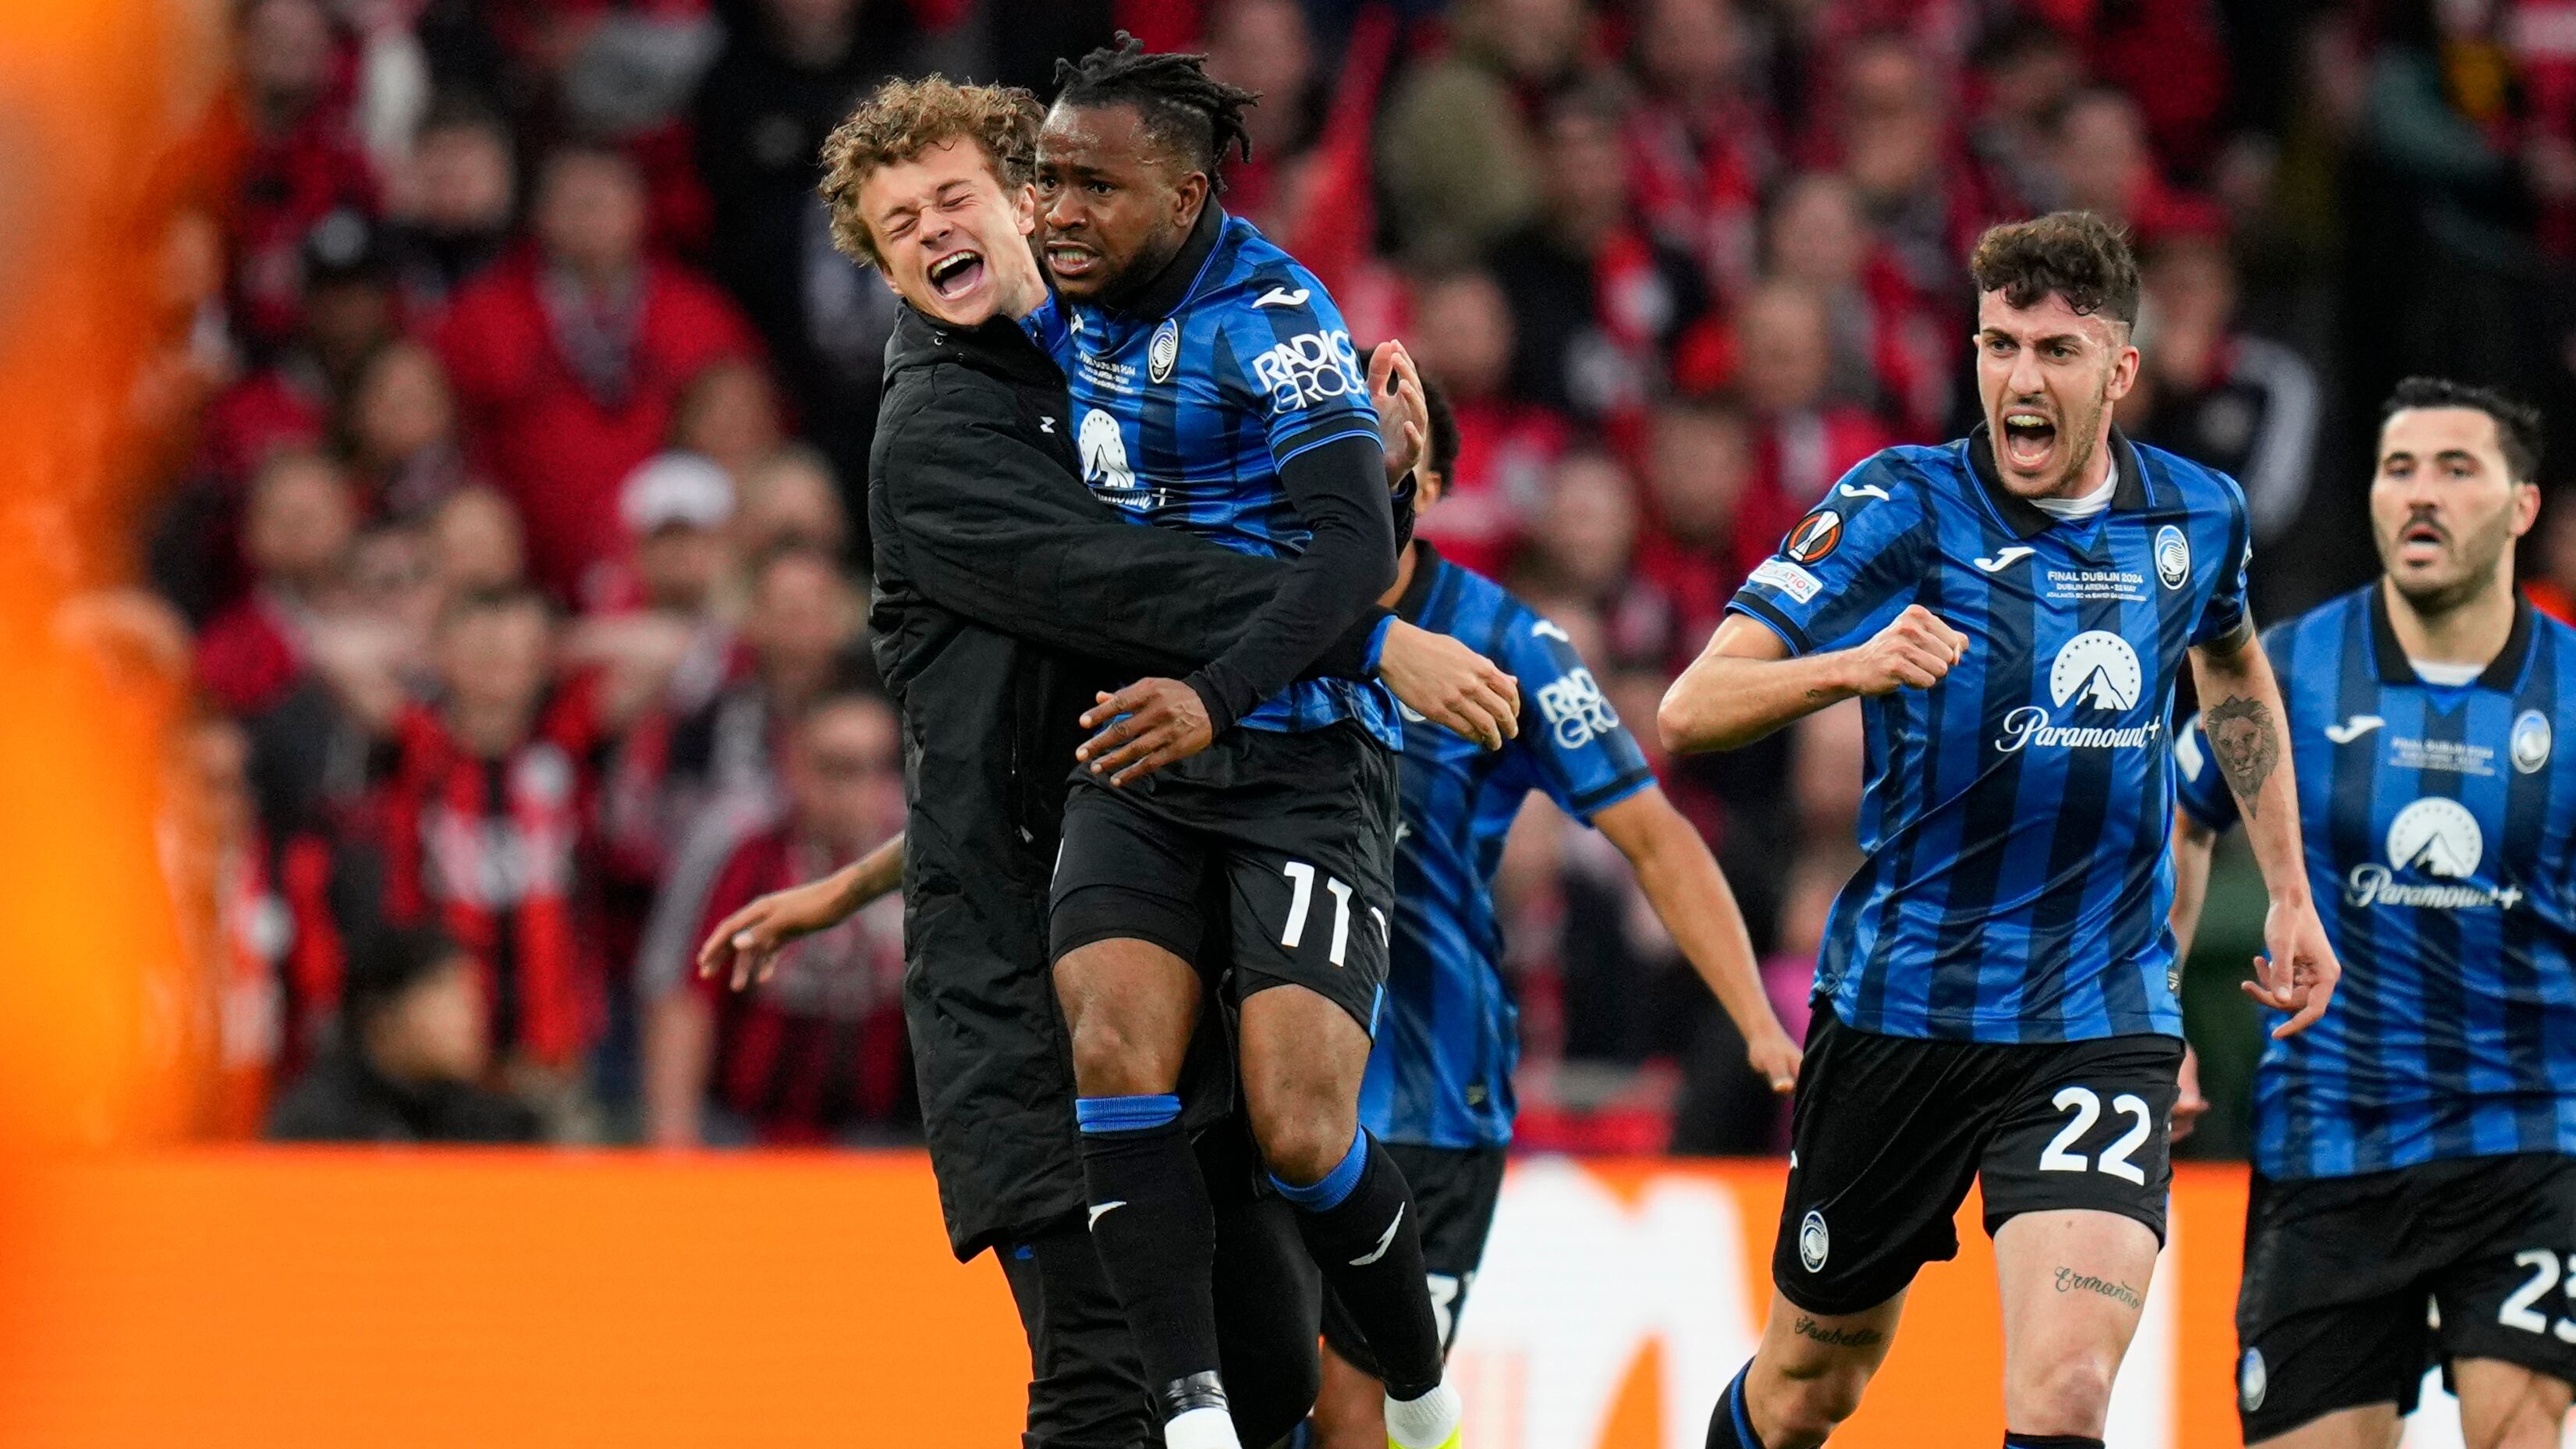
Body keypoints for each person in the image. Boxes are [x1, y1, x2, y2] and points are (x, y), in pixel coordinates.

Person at [711, 74, 1512, 1449]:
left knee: (1266, 1380)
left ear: (1026, 194)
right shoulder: (937, 436)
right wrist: (1371, 639)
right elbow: (1121, 587)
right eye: (897, 224)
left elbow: (1079, 709)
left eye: (953, 196)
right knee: (1103, 1381)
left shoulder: (1102, 357)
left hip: (1160, 895)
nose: (931, 234)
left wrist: (1369, 494)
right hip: (1021, 989)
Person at [1662, 211, 2340, 1449]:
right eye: (1996, 345)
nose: (2018, 379)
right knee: (1812, 1384)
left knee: (2065, 1392)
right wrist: (1851, 666)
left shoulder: (2196, 519)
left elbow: (2233, 672)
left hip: (2097, 1016)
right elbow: (1691, 705)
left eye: (2055, 352)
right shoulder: (1899, 505)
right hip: (1902, 1009)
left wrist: (2287, 885)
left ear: (2119, 371)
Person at [1031, 41, 1474, 1449]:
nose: (1054, 211)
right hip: (1138, 754)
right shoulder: (1052, 296)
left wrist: (1214, 696)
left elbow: (1352, 551)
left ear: (1182, 195)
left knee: (1297, 1129)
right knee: (1115, 1048)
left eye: (1091, 186)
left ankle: (1420, 1388)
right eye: (1043, 179)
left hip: (1295, 754)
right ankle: (1192, 1413)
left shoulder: (1274, 319)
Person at [1306, 379, 1805, 1448]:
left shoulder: (1509, 645)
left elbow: (1654, 835)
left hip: (1423, 1099)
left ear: (1428, 486)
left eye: (1384, 461)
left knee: (1358, 1418)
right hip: (1260, 1083)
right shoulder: (1236, 610)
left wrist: (1759, 1024)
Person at [2169, 378, 2576, 1449]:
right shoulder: (2286, 670)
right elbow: (2179, 819)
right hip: (2329, 1140)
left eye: (2455, 469)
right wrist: (2151, 1008)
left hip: (2531, 1137)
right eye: (2398, 470)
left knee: (2512, 1430)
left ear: (2521, 506)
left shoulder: (2574, 691)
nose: (2419, 496)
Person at [642, 681, 913, 1147]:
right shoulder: (742, 849)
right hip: (745, 1131)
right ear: (795, 766)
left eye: (880, 768)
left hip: (883, 1137)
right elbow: (684, 996)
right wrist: (674, 1139)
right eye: (839, 769)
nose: (863, 789)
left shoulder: (925, 855)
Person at [266, 925, 541, 1143]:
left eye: (473, 997)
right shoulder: (319, 1127)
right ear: (383, 1014)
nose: (471, 1017)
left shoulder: (492, 1122)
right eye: (449, 996)